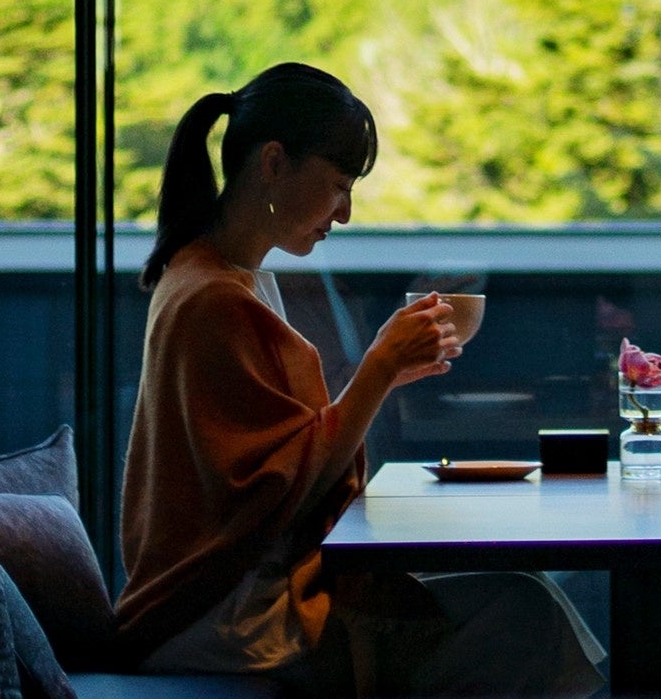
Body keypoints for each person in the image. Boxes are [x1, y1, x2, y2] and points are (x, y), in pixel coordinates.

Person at [118, 63, 605, 697]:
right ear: (273, 163)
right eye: (338, 185)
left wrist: (388, 372)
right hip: (229, 618)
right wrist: (377, 368)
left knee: (527, 594)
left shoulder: (217, 275)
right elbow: (280, 488)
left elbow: (279, 455)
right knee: (523, 613)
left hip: (228, 598)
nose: (344, 214)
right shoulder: (216, 298)